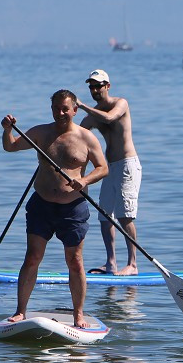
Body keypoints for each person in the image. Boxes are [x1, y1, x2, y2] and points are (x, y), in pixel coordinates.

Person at [1, 90, 108, 328]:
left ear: (74, 110)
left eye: (65, 109)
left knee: (75, 261)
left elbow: (103, 168)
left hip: (74, 209)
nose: (60, 113)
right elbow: (10, 147)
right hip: (42, 205)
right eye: (56, 109)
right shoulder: (40, 132)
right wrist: (7, 129)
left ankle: (78, 315)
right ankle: (20, 311)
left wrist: (85, 180)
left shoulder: (87, 138)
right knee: (32, 257)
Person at [78, 69, 143, 276]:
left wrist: (81, 106)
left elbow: (108, 118)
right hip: (110, 168)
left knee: (126, 216)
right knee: (105, 216)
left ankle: (132, 264)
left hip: (128, 166)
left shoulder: (120, 103)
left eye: (98, 86)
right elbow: (77, 134)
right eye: (91, 87)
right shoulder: (91, 117)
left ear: (108, 86)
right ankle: (111, 263)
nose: (95, 90)